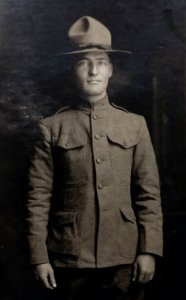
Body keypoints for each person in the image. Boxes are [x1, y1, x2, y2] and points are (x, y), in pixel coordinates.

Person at [26, 16, 163, 300]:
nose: (93, 71)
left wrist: (149, 249)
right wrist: (39, 257)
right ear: (72, 71)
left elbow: (148, 194)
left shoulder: (134, 125)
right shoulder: (52, 127)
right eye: (82, 63)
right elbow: (38, 197)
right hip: (69, 257)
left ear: (111, 69)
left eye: (100, 62)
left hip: (124, 257)